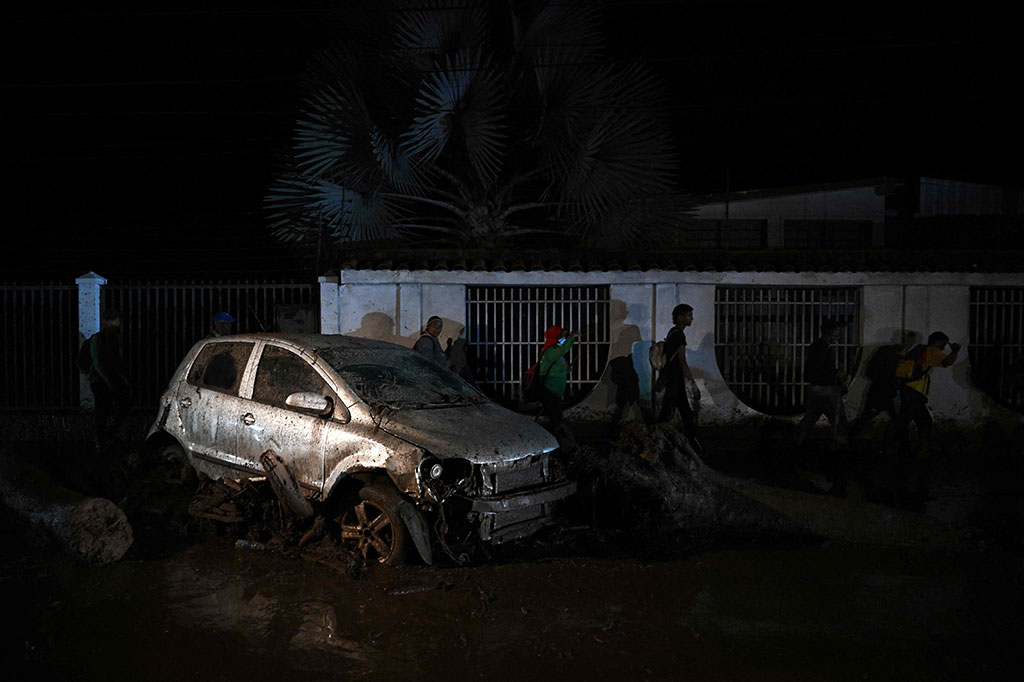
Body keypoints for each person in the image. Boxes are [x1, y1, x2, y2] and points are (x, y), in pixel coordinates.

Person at [891, 331, 961, 459]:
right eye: (944, 343)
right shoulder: (932, 351)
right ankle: (891, 448)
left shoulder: (918, 349)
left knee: (922, 421)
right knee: (904, 422)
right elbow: (947, 362)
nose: (944, 347)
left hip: (907, 389)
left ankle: (918, 450)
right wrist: (955, 351)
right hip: (915, 392)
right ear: (937, 342)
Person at [797, 318, 849, 448]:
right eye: (835, 330)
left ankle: (796, 443)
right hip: (826, 388)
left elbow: (813, 367)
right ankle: (843, 447)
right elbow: (821, 367)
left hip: (815, 387)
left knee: (810, 417)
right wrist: (836, 373)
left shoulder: (817, 346)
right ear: (828, 331)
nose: (837, 333)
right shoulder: (822, 347)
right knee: (839, 420)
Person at [87, 308, 130, 453]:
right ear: (107, 321)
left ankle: (106, 436)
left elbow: (117, 361)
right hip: (100, 382)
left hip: (110, 381)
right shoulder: (98, 339)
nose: (118, 323)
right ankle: (101, 439)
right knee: (102, 411)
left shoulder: (114, 338)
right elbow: (98, 363)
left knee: (120, 407)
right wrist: (110, 382)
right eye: (115, 320)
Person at [657, 304, 701, 444]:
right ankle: (656, 440)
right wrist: (692, 383)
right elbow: (682, 361)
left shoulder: (673, 332)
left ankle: (693, 440)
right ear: (680, 317)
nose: (691, 318)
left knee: (681, 411)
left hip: (672, 378)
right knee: (671, 413)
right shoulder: (679, 335)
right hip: (675, 379)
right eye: (689, 315)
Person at [537, 325, 576, 434]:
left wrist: (565, 368)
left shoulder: (556, 351)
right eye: (562, 336)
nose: (564, 338)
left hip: (555, 391)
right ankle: (558, 440)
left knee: (556, 418)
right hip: (549, 390)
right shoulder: (550, 351)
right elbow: (563, 350)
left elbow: (558, 364)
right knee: (556, 419)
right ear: (555, 338)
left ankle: (556, 438)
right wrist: (571, 337)